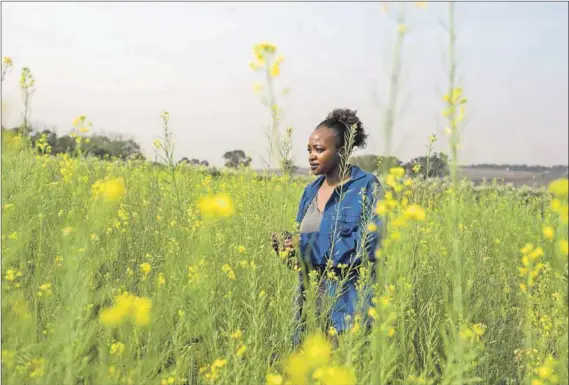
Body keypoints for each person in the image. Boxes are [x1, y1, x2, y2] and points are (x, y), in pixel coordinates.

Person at [272, 108, 383, 347]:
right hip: (309, 312)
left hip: (347, 314)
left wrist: (310, 243)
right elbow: (302, 262)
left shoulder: (366, 187)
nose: (312, 156)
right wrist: (287, 249)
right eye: (309, 150)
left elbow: (369, 245)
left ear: (342, 151)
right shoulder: (309, 192)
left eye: (319, 150)